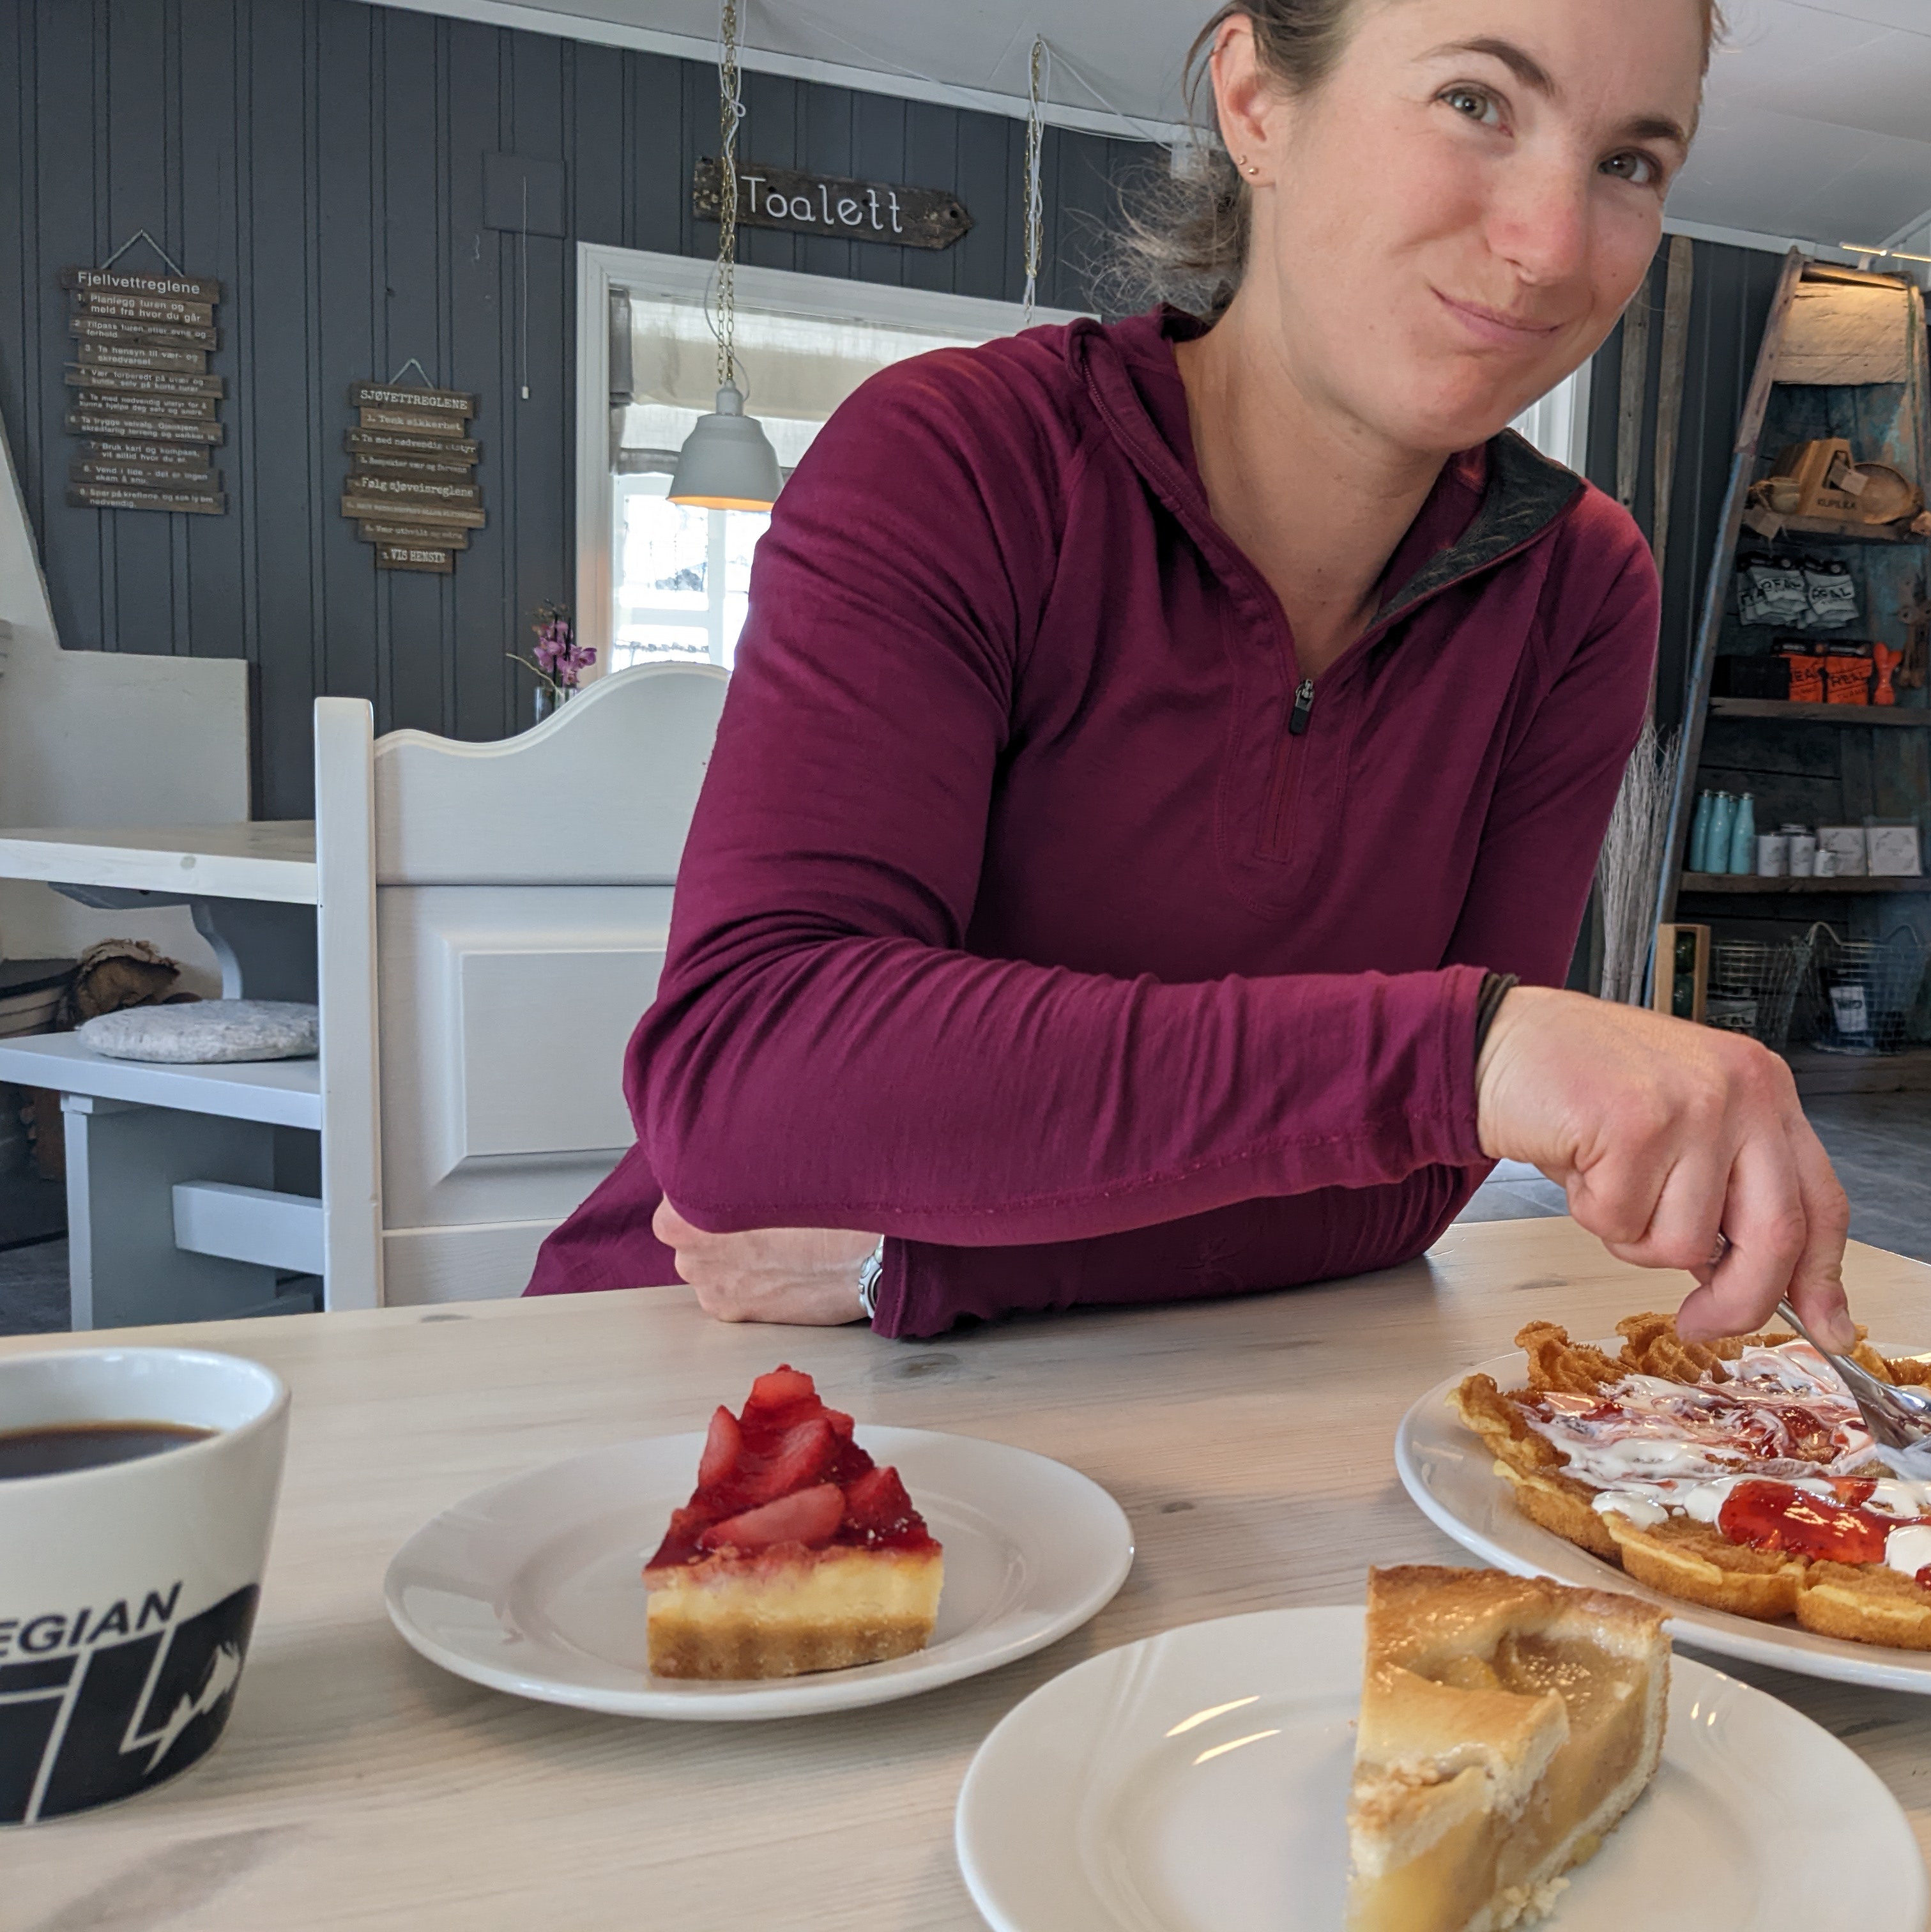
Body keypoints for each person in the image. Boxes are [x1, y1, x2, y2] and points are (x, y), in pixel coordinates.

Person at [528, 0, 1856, 1352]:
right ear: (1255, 101)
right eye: (1475, 102)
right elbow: (752, 1092)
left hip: (1171, 1401)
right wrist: (1464, 1055)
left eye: (1629, 163)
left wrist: (918, 1256)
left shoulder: (1578, 591)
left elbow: (1405, 1196)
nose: (1551, 244)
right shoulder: (958, 465)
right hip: (707, 1365)